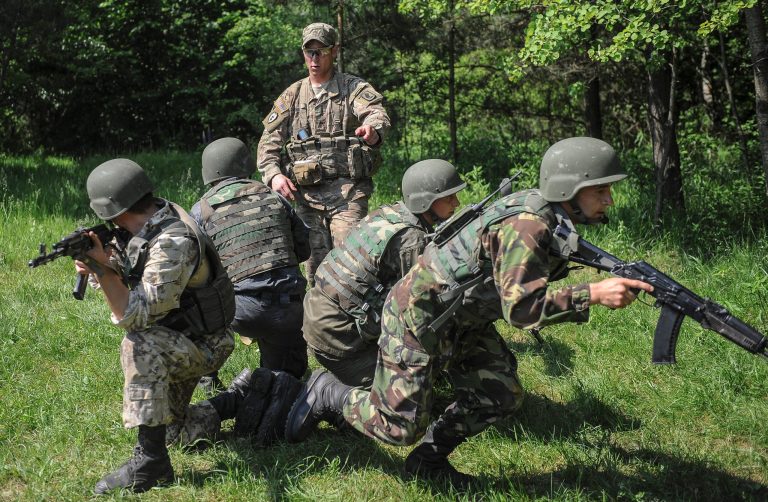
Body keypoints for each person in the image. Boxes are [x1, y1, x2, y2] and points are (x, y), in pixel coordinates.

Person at [284, 137, 654, 487]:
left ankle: (428, 460)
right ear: (570, 189)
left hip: (462, 316)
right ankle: (328, 393)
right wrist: (591, 294)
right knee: (398, 428)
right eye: (601, 190)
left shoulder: (543, 214)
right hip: (419, 319)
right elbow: (522, 312)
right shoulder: (527, 226)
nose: (609, 200)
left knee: (501, 394)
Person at [75, 159, 236, 494]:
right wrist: (104, 266)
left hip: (205, 344)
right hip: (182, 335)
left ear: (112, 211)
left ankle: (151, 462)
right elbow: (131, 275)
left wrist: (103, 270)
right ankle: (238, 400)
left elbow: (138, 315)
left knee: (139, 343)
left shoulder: (172, 240)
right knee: (176, 433)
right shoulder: (150, 221)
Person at [304, 159, 466, 388]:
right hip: (340, 340)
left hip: (319, 317)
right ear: (425, 200)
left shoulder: (390, 213)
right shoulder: (411, 240)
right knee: (411, 394)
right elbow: (416, 310)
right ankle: (325, 391)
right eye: (449, 197)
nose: (456, 202)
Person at [257, 22, 391, 286]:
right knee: (316, 272)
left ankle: (356, 323)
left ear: (335, 51)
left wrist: (373, 130)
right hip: (307, 199)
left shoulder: (353, 88)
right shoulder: (292, 96)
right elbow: (268, 144)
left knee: (352, 266)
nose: (315, 59)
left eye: (321, 51)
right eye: (310, 52)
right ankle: (323, 325)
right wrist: (273, 176)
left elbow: (376, 114)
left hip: (348, 195)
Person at [190, 137, 311, 392]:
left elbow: (195, 269)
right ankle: (274, 381)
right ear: (247, 166)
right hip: (290, 312)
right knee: (286, 381)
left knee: (191, 301)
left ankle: (208, 379)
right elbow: (303, 250)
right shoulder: (275, 198)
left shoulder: (201, 211)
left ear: (208, 173)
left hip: (238, 312)